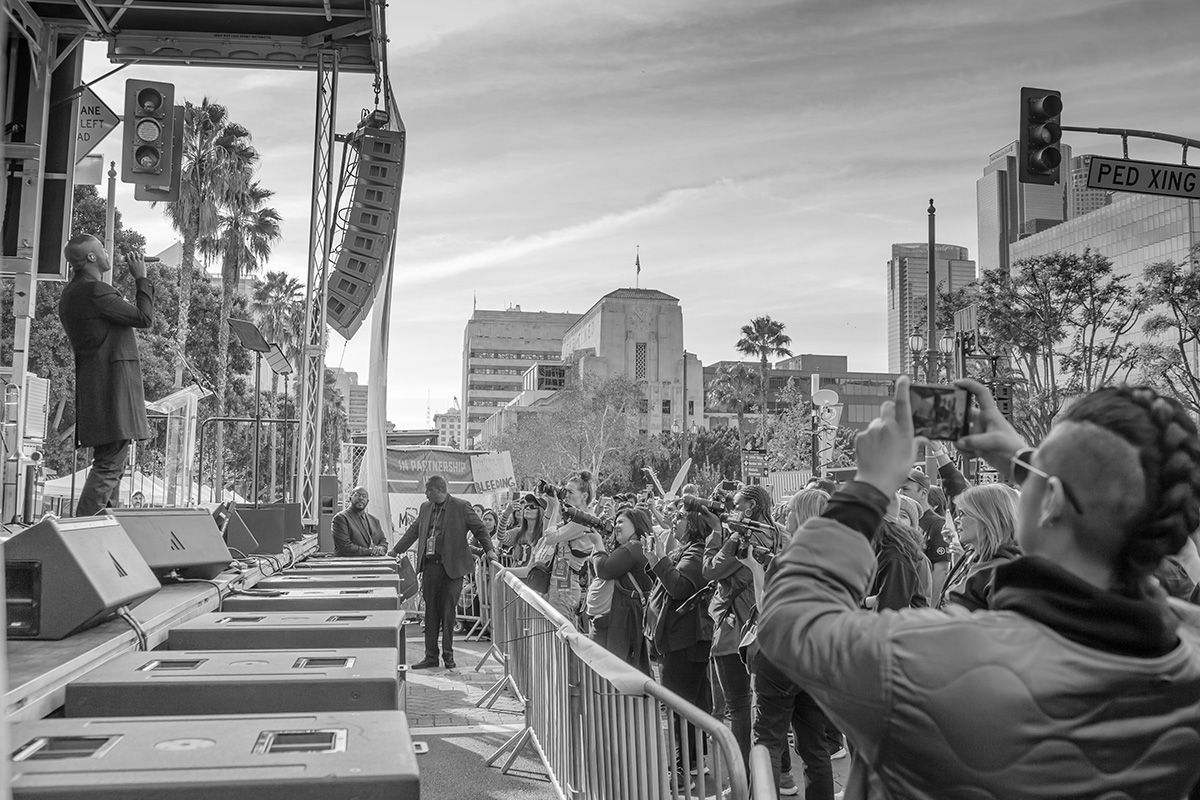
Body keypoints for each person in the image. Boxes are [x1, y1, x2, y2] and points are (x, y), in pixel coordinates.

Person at [758, 376, 1200, 798]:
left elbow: (790, 620)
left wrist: (869, 486)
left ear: (1052, 502)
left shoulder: (925, 658)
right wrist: (1024, 460)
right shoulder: (1189, 642)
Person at [59, 235, 154, 517]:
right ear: (91, 257)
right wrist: (141, 279)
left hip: (96, 389)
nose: (107, 252)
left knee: (112, 466)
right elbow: (144, 318)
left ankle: (102, 525)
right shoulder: (95, 291)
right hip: (113, 389)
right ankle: (84, 528)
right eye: (102, 248)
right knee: (109, 467)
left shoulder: (72, 293)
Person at [754, 487, 836, 799]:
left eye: (789, 511)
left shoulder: (786, 560)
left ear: (801, 517)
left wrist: (755, 571)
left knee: (768, 742)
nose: (785, 516)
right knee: (815, 747)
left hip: (781, 658)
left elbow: (768, 609)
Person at [391, 475, 496, 670]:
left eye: (428, 490)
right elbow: (413, 531)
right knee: (430, 612)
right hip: (430, 568)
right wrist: (395, 551)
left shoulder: (461, 507)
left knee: (448, 612)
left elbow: (480, 529)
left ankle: (448, 656)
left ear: (440, 489)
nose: (425, 493)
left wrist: (489, 551)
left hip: (452, 569)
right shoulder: (425, 508)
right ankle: (430, 656)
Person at [646, 503, 714, 781]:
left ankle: (682, 768)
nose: (674, 519)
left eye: (682, 516)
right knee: (687, 705)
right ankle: (692, 762)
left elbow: (679, 588)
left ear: (695, 523)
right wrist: (655, 558)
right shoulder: (688, 549)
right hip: (680, 640)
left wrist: (659, 558)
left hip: (685, 641)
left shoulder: (697, 552)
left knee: (680, 707)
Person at [584, 506, 654, 672]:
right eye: (615, 522)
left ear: (636, 524)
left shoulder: (633, 548)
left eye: (621, 522)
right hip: (620, 617)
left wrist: (598, 544)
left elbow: (604, 570)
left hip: (621, 620)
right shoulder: (635, 547)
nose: (616, 526)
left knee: (611, 669)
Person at [941, 483, 1021, 610]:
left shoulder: (1003, 572)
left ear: (986, 518)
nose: (956, 519)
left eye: (962, 513)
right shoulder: (972, 556)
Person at [899, 469, 952, 601]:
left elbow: (941, 570)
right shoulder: (901, 520)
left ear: (923, 493)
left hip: (921, 602)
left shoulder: (937, 524)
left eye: (905, 489)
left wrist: (931, 606)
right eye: (898, 489)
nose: (900, 493)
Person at [331, 486, 388, 556]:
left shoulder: (374, 520)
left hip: (374, 561)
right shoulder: (341, 518)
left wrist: (381, 548)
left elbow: (383, 542)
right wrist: (371, 551)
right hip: (349, 561)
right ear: (350, 498)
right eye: (357, 495)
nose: (361, 498)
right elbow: (345, 547)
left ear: (367, 501)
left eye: (364, 496)